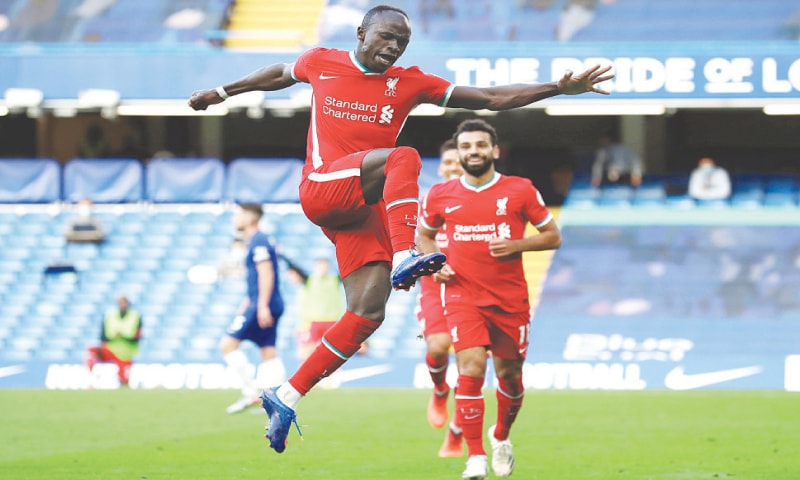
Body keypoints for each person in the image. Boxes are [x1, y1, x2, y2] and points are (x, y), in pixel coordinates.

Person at [188, 4, 613, 453]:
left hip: (362, 207)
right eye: (386, 37)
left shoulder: (410, 82)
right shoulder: (321, 61)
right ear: (361, 32)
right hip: (322, 187)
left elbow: (489, 99)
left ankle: (287, 394)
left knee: (368, 312)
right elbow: (278, 72)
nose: (392, 48)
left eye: (401, 43)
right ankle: (404, 254)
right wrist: (220, 91)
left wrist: (557, 89)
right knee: (404, 157)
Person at [417, 119, 563, 479]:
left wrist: (518, 244)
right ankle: (475, 456)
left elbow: (552, 236)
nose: (473, 152)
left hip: (510, 300)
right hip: (462, 296)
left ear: (495, 151)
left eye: (480, 145)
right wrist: (433, 263)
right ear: (459, 152)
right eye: (466, 147)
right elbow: (424, 235)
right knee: (470, 370)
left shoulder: (520, 190)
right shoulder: (440, 195)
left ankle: (500, 436)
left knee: (510, 377)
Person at [416, 138, 466, 457]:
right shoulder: (429, 199)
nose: (452, 168)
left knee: (470, 366)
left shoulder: (483, 198)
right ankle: (438, 389)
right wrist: (430, 264)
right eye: (448, 162)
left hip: (474, 287)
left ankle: (456, 436)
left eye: (458, 163)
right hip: (435, 285)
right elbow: (418, 240)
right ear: (441, 167)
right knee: (437, 345)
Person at [221, 203, 287, 414]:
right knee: (268, 350)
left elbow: (266, 273)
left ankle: (250, 394)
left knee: (227, 345)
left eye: (238, 214)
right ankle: (279, 402)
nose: (234, 218)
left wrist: (261, 306)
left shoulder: (258, 240)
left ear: (250, 218)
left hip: (264, 303)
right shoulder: (258, 240)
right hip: (262, 302)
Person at [285, 257, 347, 361]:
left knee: (332, 354)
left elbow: (348, 271)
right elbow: (294, 268)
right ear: (316, 267)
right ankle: (306, 376)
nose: (323, 268)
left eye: (325, 265)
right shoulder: (309, 280)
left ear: (328, 267)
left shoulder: (335, 280)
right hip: (311, 322)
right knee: (306, 353)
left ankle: (331, 376)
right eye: (320, 265)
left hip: (331, 321)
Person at [84, 294, 142, 387]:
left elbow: (136, 338)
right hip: (110, 349)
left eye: (124, 302)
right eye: (120, 303)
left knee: (125, 381)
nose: (122, 305)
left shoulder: (135, 316)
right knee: (91, 350)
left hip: (125, 354)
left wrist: (122, 335)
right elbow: (102, 336)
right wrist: (115, 336)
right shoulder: (110, 315)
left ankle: (122, 383)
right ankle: (90, 379)